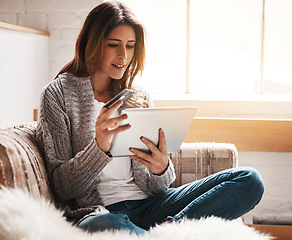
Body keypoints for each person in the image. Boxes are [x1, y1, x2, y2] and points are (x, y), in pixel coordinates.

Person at [36, 1, 264, 235]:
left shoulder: (139, 96)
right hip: (100, 213)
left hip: (153, 207)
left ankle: (170, 229)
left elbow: (158, 188)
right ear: (91, 44)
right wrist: (99, 147)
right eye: (113, 44)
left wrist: (161, 168)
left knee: (249, 180)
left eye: (130, 46)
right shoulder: (57, 95)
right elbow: (62, 188)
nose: (123, 56)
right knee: (103, 225)